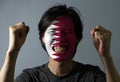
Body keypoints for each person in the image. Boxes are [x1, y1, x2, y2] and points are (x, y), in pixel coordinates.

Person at [0, 4, 120, 82]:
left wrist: (106, 57)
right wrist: (12, 51)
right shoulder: (31, 77)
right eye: (53, 32)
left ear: (77, 37)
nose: (60, 38)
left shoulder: (91, 76)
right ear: (42, 37)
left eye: (67, 32)